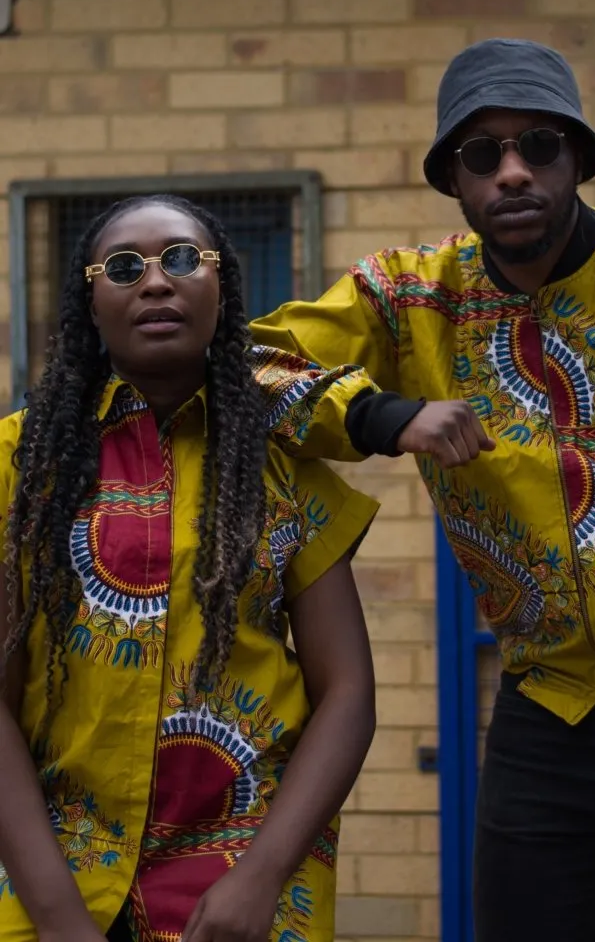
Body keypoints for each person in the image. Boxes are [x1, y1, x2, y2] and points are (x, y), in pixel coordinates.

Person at [249, 38, 595, 941]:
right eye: (481, 154)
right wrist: (383, 415)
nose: (511, 172)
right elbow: (244, 368)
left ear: (577, 159)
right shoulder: (408, 298)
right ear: (452, 180)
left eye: (537, 146)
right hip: (545, 711)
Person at [0, 194, 378, 942]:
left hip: (239, 885)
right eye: (122, 266)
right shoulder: (18, 465)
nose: (155, 282)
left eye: (180, 258)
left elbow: (347, 691)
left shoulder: (280, 466)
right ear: (90, 299)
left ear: (221, 289)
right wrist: (57, 917)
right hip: (57, 869)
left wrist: (262, 876)